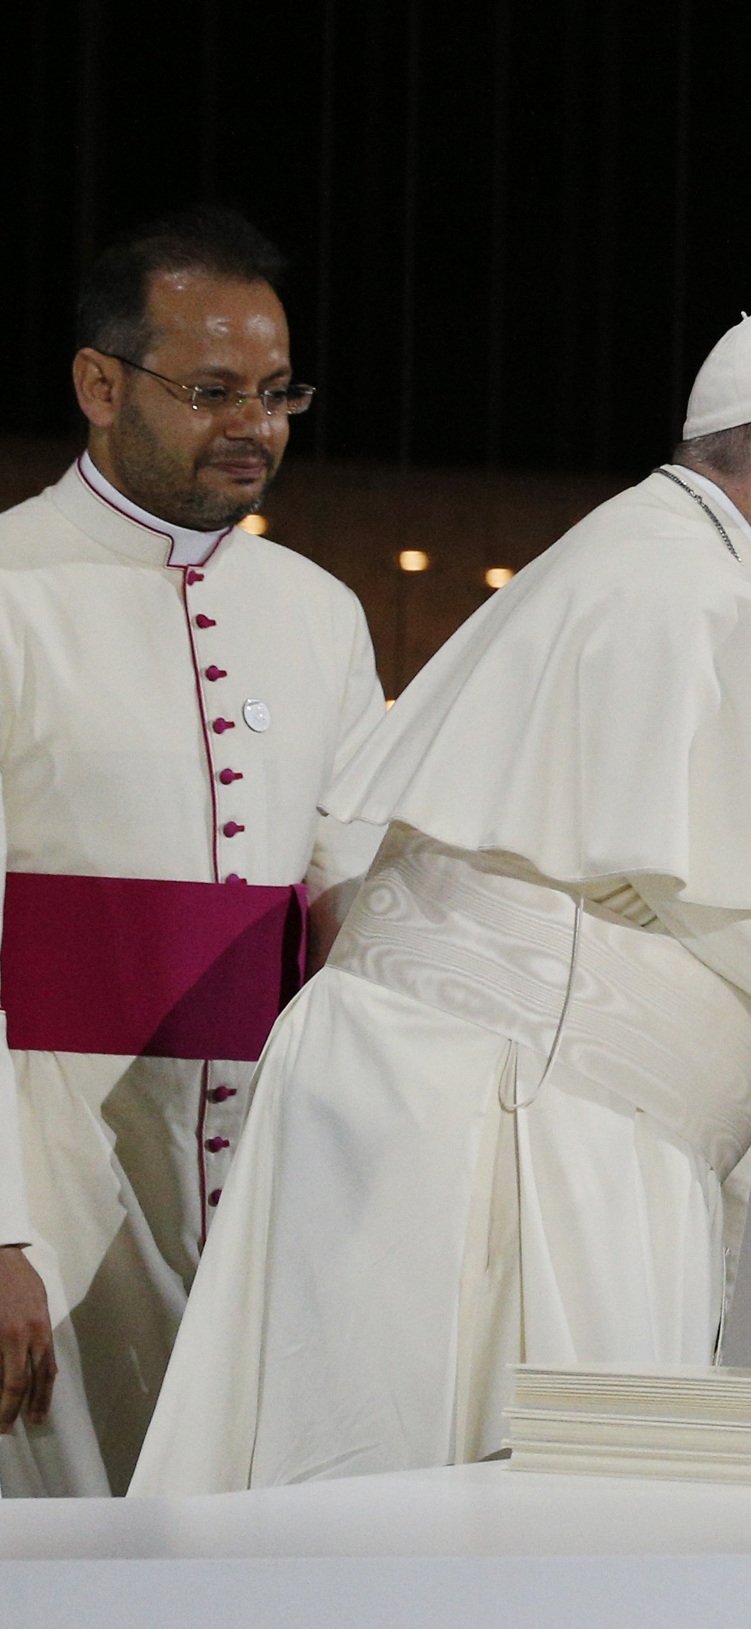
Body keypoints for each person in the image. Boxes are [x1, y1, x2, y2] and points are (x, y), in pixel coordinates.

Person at [131, 311, 751, 1494]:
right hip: (512, 1149)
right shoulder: (694, 608)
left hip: (442, 1110)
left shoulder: (636, 565)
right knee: (486, 1545)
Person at [0, 207, 383, 1497]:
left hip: (271, 1205)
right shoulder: (7, 591)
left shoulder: (320, 617)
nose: (256, 426)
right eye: (213, 391)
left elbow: (364, 910)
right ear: (99, 385)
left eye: (278, 394)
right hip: (51, 1192)